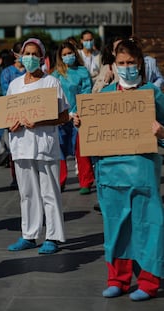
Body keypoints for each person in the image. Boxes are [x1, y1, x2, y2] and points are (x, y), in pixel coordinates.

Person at [74, 38, 164, 301]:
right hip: (111, 174)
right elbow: (92, 133)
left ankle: (148, 282)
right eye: (121, 63)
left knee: (149, 225)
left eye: (131, 63)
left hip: (142, 172)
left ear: (140, 65)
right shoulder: (102, 97)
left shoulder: (153, 94)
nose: (126, 67)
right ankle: (118, 280)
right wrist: (81, 122)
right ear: (113, 66)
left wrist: (161, 132)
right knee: (115, 227)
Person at [6, 38, 69, 254]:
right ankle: (29, 235)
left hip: (44, 144)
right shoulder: (14, 85)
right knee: (27, 192)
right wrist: (10, 125)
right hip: (21, 144)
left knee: (49, 191)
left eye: (35, 54)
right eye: (27, 54)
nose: (30, 58)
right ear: (20, 57)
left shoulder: (51, 83)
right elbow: (7, 115)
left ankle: (52, 236)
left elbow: (64, 116)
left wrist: (41, 121)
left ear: (42, 58)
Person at [52, 41, 94, 194]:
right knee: (59, 151)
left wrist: (76, 113)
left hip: (79, 116)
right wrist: (63, 114)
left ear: (75, 54)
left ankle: (86, 181)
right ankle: (60, 180)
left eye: (70, 53)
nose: (68, 56)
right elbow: (52, 96)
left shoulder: (83, 71)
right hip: (61, 117)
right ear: (60, 57)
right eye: (64, 54)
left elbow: (86, 93)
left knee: (81, 150)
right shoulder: (56, 74)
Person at [0, 42, 26, 188]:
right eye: (22, 54)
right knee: (14, 149)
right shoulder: (7, 73)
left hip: (30, 115)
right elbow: (6, 94)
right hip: (13, 115)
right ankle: (16, 177)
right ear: (15, 55)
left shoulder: (32, 71)